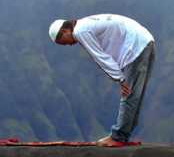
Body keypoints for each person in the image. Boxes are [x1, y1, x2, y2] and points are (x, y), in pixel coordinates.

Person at [49, 14, 155, 147]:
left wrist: (120, 78)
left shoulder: (80, 31)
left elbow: (100, 57)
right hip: (146, 40)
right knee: (135, 95)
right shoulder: (85, 23)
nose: (68, 45)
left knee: (128, 93)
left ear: (65, 31)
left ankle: (118, 137)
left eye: (63, 41)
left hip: (134, 47)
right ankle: (124, 135)